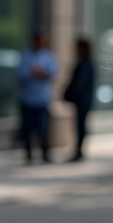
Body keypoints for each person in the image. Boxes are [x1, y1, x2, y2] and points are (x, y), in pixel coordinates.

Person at [17, 31, 59, 163]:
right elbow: (20, 73)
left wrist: (41, 72)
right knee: (28, 128)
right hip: (27, 99)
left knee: (43, 128)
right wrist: (33, 73)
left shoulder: (48, 56)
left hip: (42, 99)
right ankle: (29, 153)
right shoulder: (26, 55)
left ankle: (45, 153)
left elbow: (53, 73)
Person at [62, 38, 95, 162]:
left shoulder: (85, 64)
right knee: (80, 126)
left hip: (83, 101)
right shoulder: (86, 63)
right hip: (83, 101)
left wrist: (69, 94)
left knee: (80, 126)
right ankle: (78, 150)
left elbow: (79, 83)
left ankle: (79, 151)